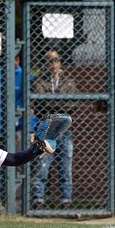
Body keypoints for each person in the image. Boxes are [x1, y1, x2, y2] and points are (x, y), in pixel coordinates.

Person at [30, 49, 75, 209]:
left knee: (65, 166)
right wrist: (58, 103)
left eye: (55, 60)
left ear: (60, 62)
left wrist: (51, 102)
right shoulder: (39, 81)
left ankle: (66, 200)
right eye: (48, 61)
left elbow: (72, 104)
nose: (53, 64)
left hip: (64, 129)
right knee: (42, 166)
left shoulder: (68, 81)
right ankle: (38, 199)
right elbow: (38, 103)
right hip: (46, 129)